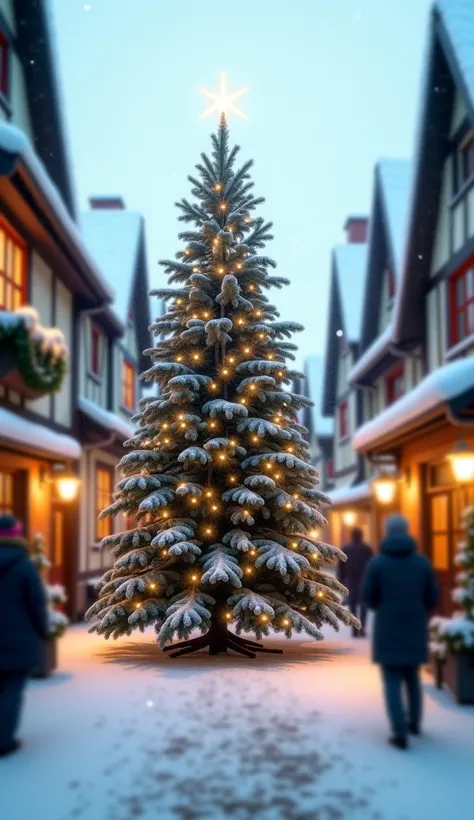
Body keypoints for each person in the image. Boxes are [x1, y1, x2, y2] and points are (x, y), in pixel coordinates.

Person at [361, 514, 439, 750]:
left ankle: (399, 732)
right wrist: (417, 608)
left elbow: (368, 596)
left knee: (392, 679)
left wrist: (384, 607)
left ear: (387, 533)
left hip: (388, 625)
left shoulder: (377, 563)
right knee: (412, 677)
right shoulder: (421, 562)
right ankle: (414, 723)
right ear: (406, 532)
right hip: (414, 624)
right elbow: (432, 596)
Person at [0, 514, 48, 757]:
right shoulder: (24, 566)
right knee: (11, 691)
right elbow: (36, 604)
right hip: (17, 644)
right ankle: (4, 741)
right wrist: (42, 630)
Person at [338, 527, 373, 637]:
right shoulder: (367, 549)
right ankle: (361, 629)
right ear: (361, 536)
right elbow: (372, 565)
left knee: (352, 606)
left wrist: (341, 580)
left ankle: (354, 630)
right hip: (364, 580)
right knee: (363, 606)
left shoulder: (346, 549)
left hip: (351, 581)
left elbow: (341, 567)